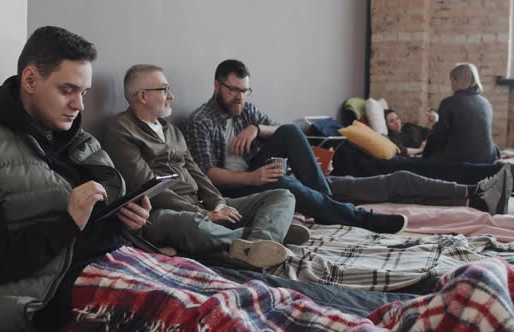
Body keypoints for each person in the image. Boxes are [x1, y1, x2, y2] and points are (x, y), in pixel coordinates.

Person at [0, 26, 156, 330]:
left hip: (121, 258)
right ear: (30, 80)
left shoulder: (81, 140)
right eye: (68, 90)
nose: (79, 105)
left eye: (84, 93)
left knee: (232, 301)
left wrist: (127, 215)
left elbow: (108, 198)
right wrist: (67, 225)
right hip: (49, 292)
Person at [104, 64, 304, 270]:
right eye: (164, 89)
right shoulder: (121, 130)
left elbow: (197, 173)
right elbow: (148, 187)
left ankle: (259, 242)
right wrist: (202, 214)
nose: (171, 95)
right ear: (143, 96)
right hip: (164, 213)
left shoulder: (171, 130)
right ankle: (268, 234)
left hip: (201, 205)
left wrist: (218, 203)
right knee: (193, 226)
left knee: (282, 195)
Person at [184, 59, 408, 234]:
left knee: (291, 131)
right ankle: (360, 218)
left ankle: (326, 204)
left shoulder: (247, 109)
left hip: (254, 169)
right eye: (233, 90)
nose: (239, 97)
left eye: (244, 91)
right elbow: (207, 174)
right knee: (283, 182)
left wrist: (256, 128)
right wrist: (252, 178)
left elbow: (279, 128)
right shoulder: (200, 121)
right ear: (217, 86)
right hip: (232, 189)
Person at [324, 159, 512, 215]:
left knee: (399, 195)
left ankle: (479, 203)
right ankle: (474, 190)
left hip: (321, 185)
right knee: (401, 180)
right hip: (320, 187)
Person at [423, 62, 500, 163]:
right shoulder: (486, 103)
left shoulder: (448, 103)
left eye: (451, 80)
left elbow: (440, 135)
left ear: (457, 81)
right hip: (487, 158)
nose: (451, 84)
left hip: (459, 159)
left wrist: (426, 154)